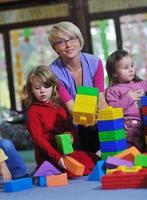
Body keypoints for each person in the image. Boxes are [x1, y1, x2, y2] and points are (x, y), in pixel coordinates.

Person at [23, 65, 99, 177]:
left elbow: (70, 129)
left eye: (46, 86)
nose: (42, 91)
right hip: (48, 155)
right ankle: (42, 170)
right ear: (31, 90)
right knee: (71, 168)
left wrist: (71, 136)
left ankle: (94, 157)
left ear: (53, 87)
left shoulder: (59, 107)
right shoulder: (33, 111)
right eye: (37, 88)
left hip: (65, 152)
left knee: (91, 159)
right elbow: (39, 140)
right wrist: (57, 158)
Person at [48, 21, 107, 153]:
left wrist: (108, 123)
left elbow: (101, 99)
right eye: (61, 42)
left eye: (72, 38)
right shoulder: (52, 72)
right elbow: (71, 108)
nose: (68, 45)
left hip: (93, 119)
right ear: (55, 48)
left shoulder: (95, 62)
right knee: (88, 130)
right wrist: (90, 120)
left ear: (79, 40)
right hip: (68, 122)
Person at [105, 49, 147, 152]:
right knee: (131, 152)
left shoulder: (142, 84)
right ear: (114, 73)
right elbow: (113, 110)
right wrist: (129, 98)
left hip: (145, 125)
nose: (131, 70)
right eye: (126, 67)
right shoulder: (113, 91)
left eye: (132, 65)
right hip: (129, 128)